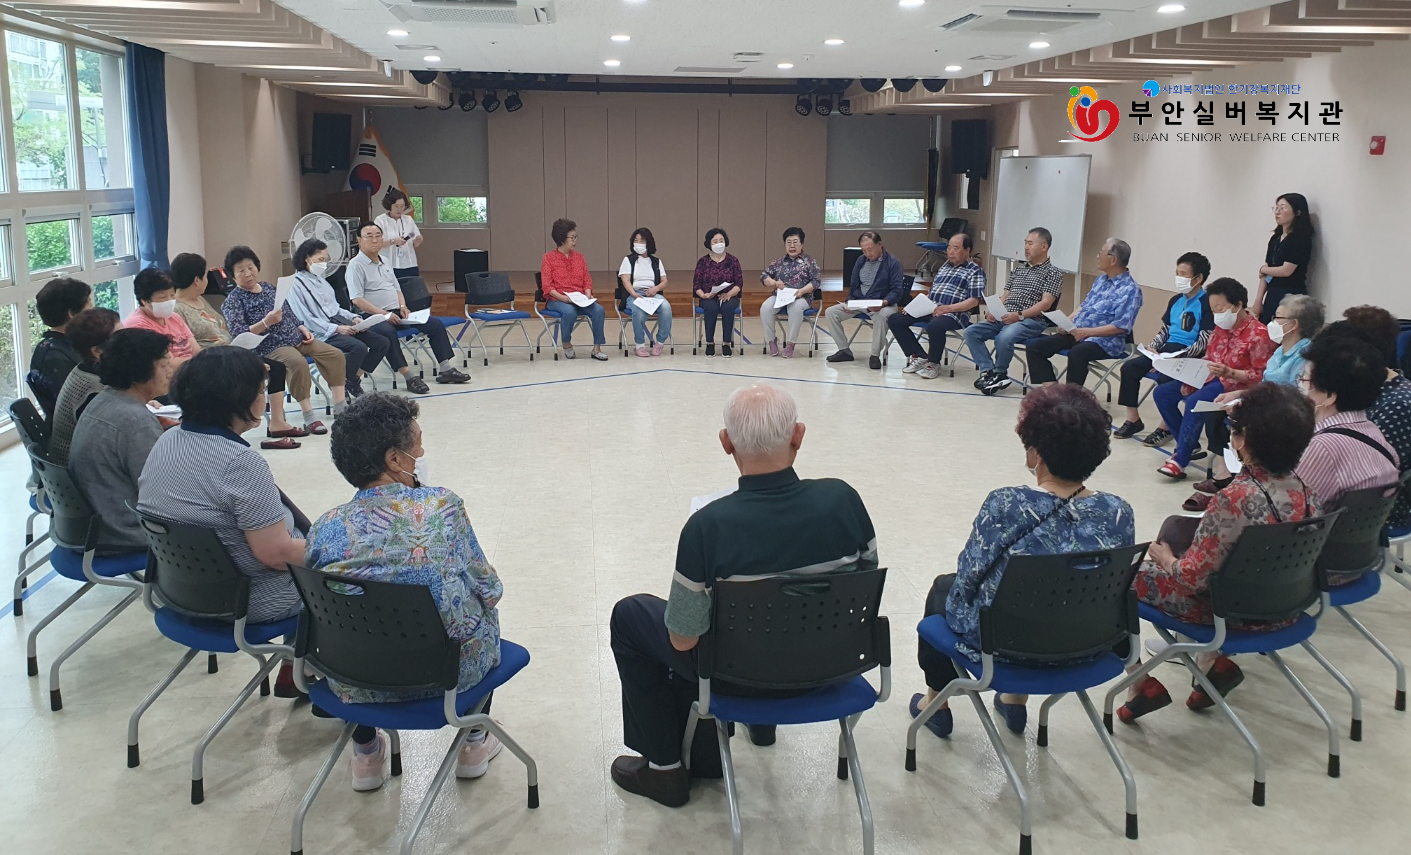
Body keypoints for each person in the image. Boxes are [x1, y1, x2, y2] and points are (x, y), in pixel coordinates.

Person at [609, 384, 878, 807]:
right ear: (799, 435)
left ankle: (665, 769)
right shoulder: (844, 500)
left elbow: (683, 639)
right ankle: (760, 730)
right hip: (832, 669)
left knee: (631, 616)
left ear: (726, 442)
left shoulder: (707, 525)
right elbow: (861, 591)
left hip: (737, 677)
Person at [910, 384, 1135, 740]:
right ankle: (1014, 700)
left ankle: (935, 703)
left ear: (1036, 455)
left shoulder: (1007, 504)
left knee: (943, 588)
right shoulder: (1118, 511)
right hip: (1087, 643)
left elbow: (969, 579)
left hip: (1008, 647)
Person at [307, 392, 504, 792]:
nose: (422, 453)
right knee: (482, 610)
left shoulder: (325, 527)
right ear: (394, 459)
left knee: (355, 625)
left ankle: (366, 753)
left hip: (355, 676)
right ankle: (473, 740)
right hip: (446, 675)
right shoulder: (443, 506)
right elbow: (489, 588)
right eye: (417, 445)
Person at [1120, 382, 1319, 721]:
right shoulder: (1306, 492)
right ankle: (1211, 665)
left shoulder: (1234, 498)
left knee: (1121, 579)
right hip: (1286, 605)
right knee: (1187, 539)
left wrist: (1165, 559)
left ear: (1243, 439)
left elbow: (1190, 580)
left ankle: (1139, 683)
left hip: (1230, 613)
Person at [138, 346, 308, 695]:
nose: (264, 399)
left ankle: (297, 666)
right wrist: (339, 550)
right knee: (346, 575)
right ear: (237, 400)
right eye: (261, 391)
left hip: (180, 590)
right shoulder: (239, 463)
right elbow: (277, 556)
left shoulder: (168, 439)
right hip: (249, 601)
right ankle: (317, 674)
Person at [1180, 294, 1327, 513]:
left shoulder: (1305, 357)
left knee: (1238, 419)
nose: (1272, 322)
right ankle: (1226, 475)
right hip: (1268, 403)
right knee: (1216, 410)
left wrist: (1250, 403)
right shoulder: (1281, 350)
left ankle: (1243, 481)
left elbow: (1296, 398)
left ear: (1294, 324)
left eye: (1278, 317)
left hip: (1285, 415)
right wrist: (1241, 393)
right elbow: (1266, 383)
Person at [173, 250, 312, 441]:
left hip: (230, 349)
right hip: (213, 359)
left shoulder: (199, 300)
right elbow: (192, 346)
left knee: (276, 368)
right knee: (269, 368)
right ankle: (249, 423)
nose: (207, 280)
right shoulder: (178, 309)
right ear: (197, 280)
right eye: (205, 276)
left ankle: (277, 422)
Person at [1295, 333, 1399, 580]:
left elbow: (1286, 515)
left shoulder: (1323, 448)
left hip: (1308, 570)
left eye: (1304, 380)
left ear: (1330, 396)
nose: (1300, 386)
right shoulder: (1376, 435)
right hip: (1358, 560)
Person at [220, 245, 349, 442]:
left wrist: (301, 327)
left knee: (335, 354)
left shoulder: (269, 288)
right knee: (297, 362)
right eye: (241, 270)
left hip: (295, 337)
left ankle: (340, 407)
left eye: (250, 267)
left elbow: (287, 311)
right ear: (233, 276)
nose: (247, 273)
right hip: (270, 345)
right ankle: (309, 415)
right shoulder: (233, 301)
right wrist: (266, 323)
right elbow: (239, 334)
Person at [1153, 278, 1274, 480]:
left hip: (1234, 385)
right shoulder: (1221, 328)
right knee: (1162, 393)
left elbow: (1261, 375)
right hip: (1208, 376)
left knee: (1195, 402)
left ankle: (1180, 460)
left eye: (1220, 308)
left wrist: (1230, 372)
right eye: (1213, 309)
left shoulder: (1259, 335)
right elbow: (1210, 356)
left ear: (1238, 305)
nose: (1217, 314)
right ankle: (1188, 443)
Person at [69, 329, 173, 554]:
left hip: (100, 520)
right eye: (164, 365)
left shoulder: (103, 400)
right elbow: (161, 491)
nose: (170, 371)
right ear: (140, 371)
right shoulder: (135, 420)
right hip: (127, 531)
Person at [346, 223, 473, 388]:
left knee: (434, 324)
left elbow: (397, 288)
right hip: (373, 316)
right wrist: (383, 314)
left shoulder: (385, 261)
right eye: (369, 236)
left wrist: (403, 306)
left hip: (396, 312)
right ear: (359, 240)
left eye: (378, 236)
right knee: (387, 333)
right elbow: (357, 299)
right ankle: (409, 376)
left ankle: (446, 368)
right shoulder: (355, 265)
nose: (375, 240)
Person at [1113, 252, 1214, 443]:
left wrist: (1173, 357)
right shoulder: (1176, 300)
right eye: (1177, 273)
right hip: (1166, 351)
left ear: (1198, 278)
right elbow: (1165, 331)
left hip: (1189, 355)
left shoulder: (1207, 303)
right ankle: (1133, 419)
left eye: (1183, 274)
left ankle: (1165, 428)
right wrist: (1152, 349)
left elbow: (1204, 341)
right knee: (1129, 368)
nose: (1178, 278)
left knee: (1165, 377)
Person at [1025, 238, 1142, 388]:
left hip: (1105, 341)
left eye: (1101, 253)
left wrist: (1087, 332)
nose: (1097, 256)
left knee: (1078, 353)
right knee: (1035, 346)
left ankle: (1071, 397)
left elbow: (1121, 326)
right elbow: (1084, 305)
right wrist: (1067, 321)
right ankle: (1053, 390)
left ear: (1113, 260)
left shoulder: (1130, 290)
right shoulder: (1100, 281)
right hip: (1078, 333)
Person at [1334, 307, 1411, 532]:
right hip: (1352, 496)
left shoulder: (1397, 403)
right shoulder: (1370, 388)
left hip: (1376, 510)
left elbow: (1370, 470)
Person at [964, 227, 1064, 395]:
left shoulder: (1053, 273)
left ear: (1044, 247)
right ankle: (988, 371)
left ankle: (1000, 373)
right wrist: (993, 310)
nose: (1026, 247)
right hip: (1006, 316)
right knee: (971, 332)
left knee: (1004, 337)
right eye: (1025, 243)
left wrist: (1019, 315)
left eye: (1030, 243)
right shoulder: (1019, 268)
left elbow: (1046, 303)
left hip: (1030, 320)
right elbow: (1005, 295)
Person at [287, 238, 390, 398]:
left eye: (325, 259)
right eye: (320, 259)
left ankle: (351, 379)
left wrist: (354, 318)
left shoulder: (321, 281)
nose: (324, 264)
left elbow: (334, 308)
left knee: (381, 343)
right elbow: (305, 319)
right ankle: (342, 385)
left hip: (335, 325)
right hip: (317, 332)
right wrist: (337, 329)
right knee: (359, 348)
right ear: (307, 259)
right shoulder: (295, 285)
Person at [887, 232, 986, 380]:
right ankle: (920, 356)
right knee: (895, 319)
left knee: (935, 325)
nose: (950, 252)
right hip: (931, 308)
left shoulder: (975, 271)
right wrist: (914, 307)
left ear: (967, 250)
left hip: (955, 313)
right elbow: (932, 293)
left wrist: (948, 308)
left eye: (956, 248)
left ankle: (933, 363)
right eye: (949, 248)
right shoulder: (944, 267)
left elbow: (973, 301)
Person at [824, 231, 907, 369]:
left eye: (870, 249)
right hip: (861, 302)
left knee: (881, 316)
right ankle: (844, 350)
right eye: (863, 250)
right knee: (831, 312)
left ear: (880, 245)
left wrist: (883, 303)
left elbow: (897, 291)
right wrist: (849, 302)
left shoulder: (893, 262)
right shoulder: (861, 260)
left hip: (884, 304)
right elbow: (854, 285)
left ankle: (874, 355)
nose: (867, 253)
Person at [48, 308, 119, 466]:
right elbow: (113, 443)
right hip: (80, 469)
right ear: (97, 351)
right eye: (121, 338)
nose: (129, 341)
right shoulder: (95, 390)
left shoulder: (82, 370)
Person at [540, 218, 609, 361]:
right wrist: (563, 298)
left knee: (599, 310)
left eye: (575, 237)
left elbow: (587, 280)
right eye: (572, 237)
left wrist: (588, 293)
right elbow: (547, 286)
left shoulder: (579, 257)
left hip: (579, 298)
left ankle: (597, 349)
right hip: (557, 299)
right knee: (569, 312)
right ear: (562, 239)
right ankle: (566, 343)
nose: (575, 240)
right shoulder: (548, 258)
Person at [27, 276, 92, 418]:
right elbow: (75, 406)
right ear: (72, 314)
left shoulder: (66, 344)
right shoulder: (54, 356)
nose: (93, 308)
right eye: (89, 303)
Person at [759, 227, 821, 358]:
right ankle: (772, 340)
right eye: (788, 242)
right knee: (765, 308)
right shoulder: (778, 262)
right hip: (780, 296)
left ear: (801, 244)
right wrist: (774, 283)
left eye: (795, 242)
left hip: (802, 297)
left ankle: (791, 343)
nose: (792, 246)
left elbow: (816, 281)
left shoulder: (810, 262)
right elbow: (764, 277)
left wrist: (802, 291)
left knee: (795, 308)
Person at [1252, 193, 1314, 324]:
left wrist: (1263, 269)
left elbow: (1286, 270)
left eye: (1283, 208)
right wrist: (1258, 300)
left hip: (1292, 295)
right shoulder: (1275, 239)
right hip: (1272, 292)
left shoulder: (1300, 239)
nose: (1277, 212)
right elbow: (1266, 273)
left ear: (1297, 212)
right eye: (1276, 208)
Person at [123, 268, 197, 364]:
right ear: (144, 300)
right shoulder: (137, 327)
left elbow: (196, 351)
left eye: (172, 295)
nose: (169, 301)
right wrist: (194, 362)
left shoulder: (174, 317)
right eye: (163, 297)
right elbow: (166, 365)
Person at [618, 227, 673, 357]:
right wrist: (633, 294)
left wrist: (655, 289)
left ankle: (660, 342)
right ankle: (640, 345)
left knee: (666, 308)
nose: (638, 243)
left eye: (641, 241)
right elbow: (625, 280)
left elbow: (665, 281)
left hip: (652, 294)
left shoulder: (656, 262)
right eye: (636, 241)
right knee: (638, 312)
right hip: (635, 294)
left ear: (649, 243)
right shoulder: (628, 260)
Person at [692, 227, 743, 358]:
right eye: (715, 241)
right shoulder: (703, 262)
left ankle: (726, 343)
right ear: (709, 244)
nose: (719, 244)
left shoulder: (733, 261)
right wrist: (703, 295)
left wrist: (729, 294)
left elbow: (739, 283)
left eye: (721, 240)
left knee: (728, 308)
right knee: (711, 308)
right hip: (708, 296)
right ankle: (710, 343)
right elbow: (696, 284)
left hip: (729, 295)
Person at [375, 187, 423, 279]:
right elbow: (376, 242)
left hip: (409, 264)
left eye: (402, 206)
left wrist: (418, 240)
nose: (400, 209)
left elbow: (416, 243)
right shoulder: (380, 220)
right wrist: (393, 241)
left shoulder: (408, 220)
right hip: (388, 264)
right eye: (396, 206)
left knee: (412, 286)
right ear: (390, 205)